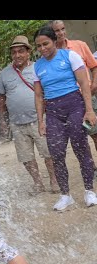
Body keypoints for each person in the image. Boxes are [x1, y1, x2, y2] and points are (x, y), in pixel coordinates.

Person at [33, 26, 97, 211]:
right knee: (56, 153)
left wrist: (89, 110)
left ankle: (89, 191)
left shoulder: (69, 56)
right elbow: (38, 96)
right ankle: (65, 195)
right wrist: (41, 121)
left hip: (75, 105)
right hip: (53, 111)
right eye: (39, 46)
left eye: (46, 44)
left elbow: (85, 84)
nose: (43, 48)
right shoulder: (38, 66)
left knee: (80, 148)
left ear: (54, 41)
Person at [0, 36, 59, 194]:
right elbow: (2, 98)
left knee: (48, 153)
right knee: (26, 157)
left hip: (39, 120)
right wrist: (3, 121)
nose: (17, 55)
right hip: (17, 123)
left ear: (29, 52)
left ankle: (54, 180)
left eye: (21, 51)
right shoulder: (5, 73)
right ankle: (38, 183)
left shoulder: (38, 68)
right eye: (14, 52)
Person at [51, 20, 97, 175]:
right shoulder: (51, 53)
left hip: (88, 96)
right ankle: (91, 168)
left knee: (95, 133)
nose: (61, 33)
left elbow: (94, 66)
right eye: (57, 30)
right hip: (70, 102)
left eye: (62, 29)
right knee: (81, 138)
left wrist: (94, 84)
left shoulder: (80, 45)